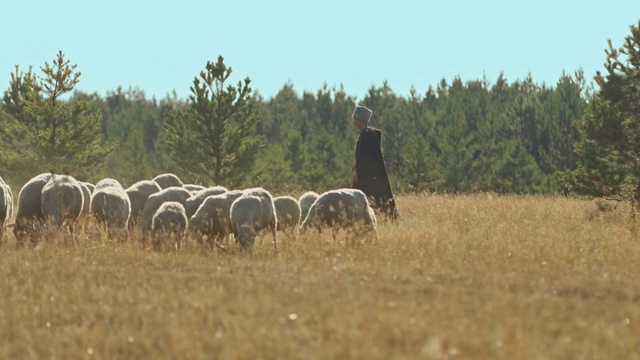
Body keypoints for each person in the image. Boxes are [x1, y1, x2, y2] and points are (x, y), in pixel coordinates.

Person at [351, 105, 399, 220]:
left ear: (359, 119)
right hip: (373, 177)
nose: (353, 121)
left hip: (368, 179)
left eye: (354, 118)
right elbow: (367, 157)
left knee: (363, 201)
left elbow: (367, 160)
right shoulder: (369, 134)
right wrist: (357, 164)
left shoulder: (366, 135)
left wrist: (359, 175)